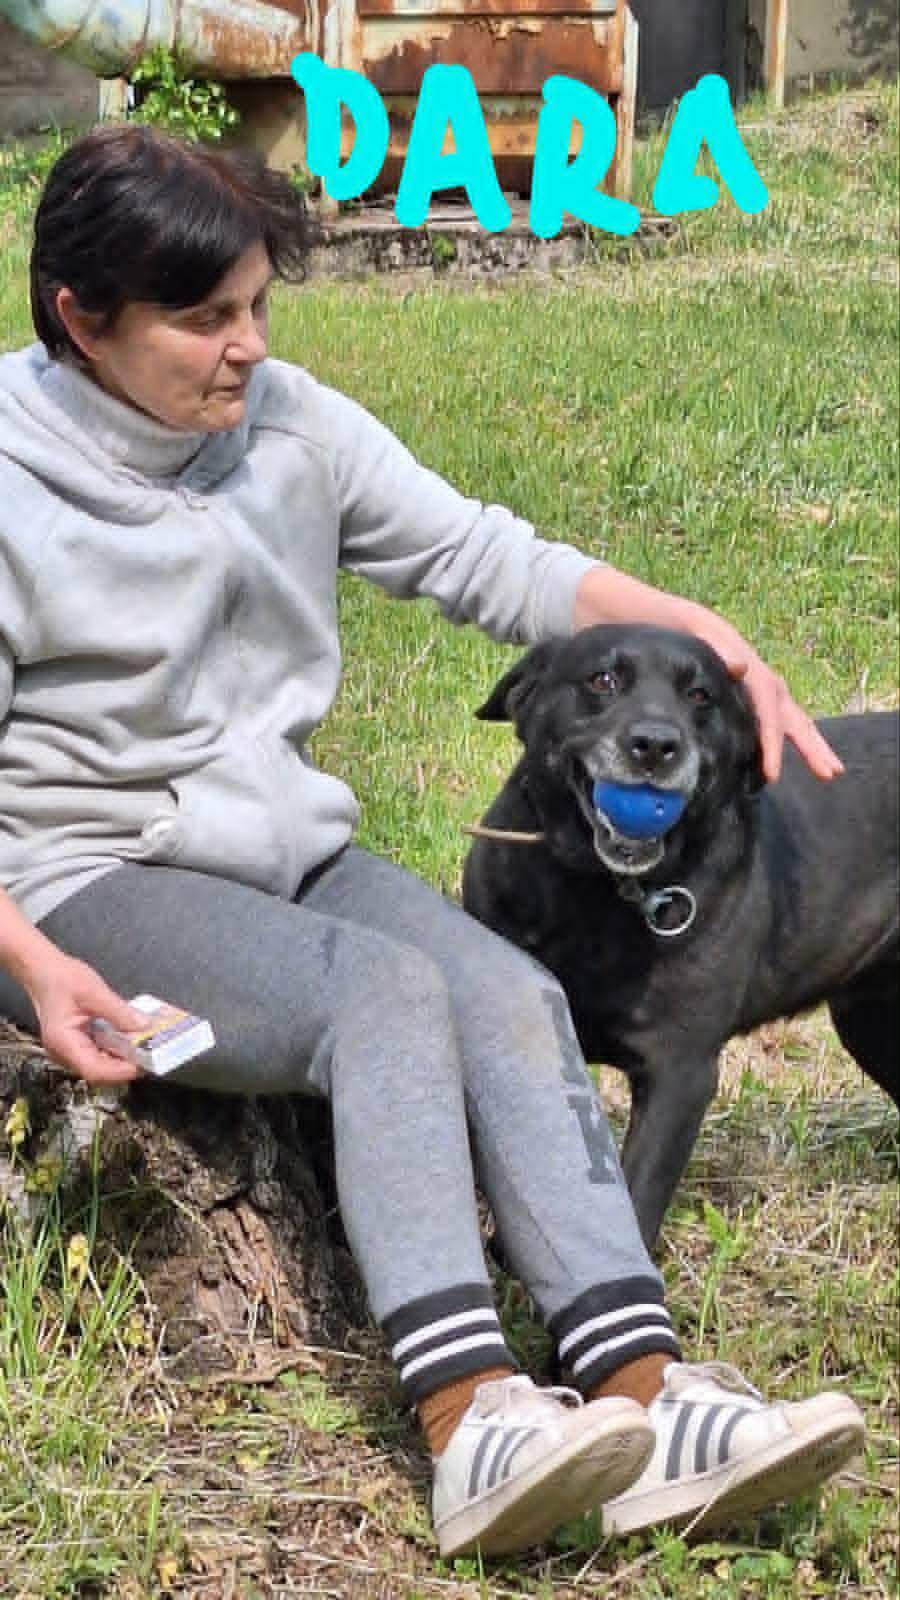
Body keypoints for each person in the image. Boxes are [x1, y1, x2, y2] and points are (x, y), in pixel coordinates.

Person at [0, 124, 862, 1561]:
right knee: (383, 995)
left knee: (508, 990)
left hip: (283, 858)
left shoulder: (287, 425)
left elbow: (486, 558)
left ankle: (644, 1391)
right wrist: (30, 963)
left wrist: (717, 641)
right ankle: (471, 1421)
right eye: (204, 318)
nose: (248, 346)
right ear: (81, 318)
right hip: (81, 879)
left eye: (259, 305)